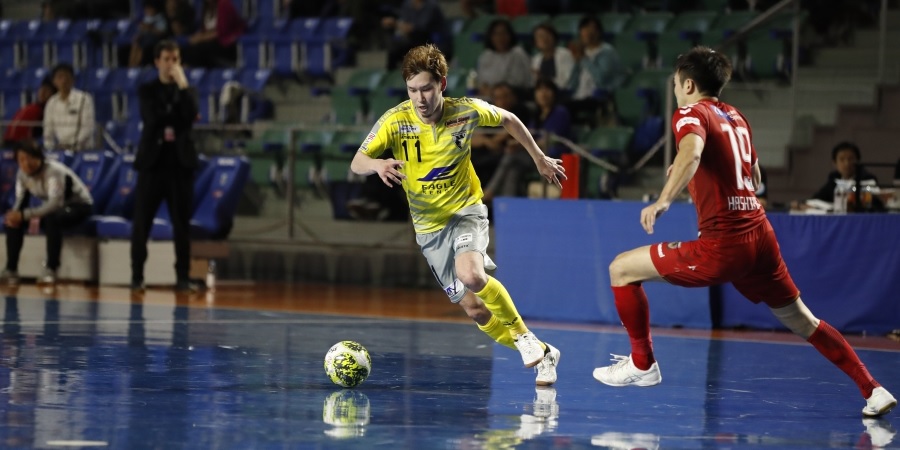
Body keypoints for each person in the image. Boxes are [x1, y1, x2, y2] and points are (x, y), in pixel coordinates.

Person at [591, 46, 897, 418]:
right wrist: (698, 177)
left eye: (674, 84)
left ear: (688, 85)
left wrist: (663, 200)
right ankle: (873, 389)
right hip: (760, 237)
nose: (674, 91)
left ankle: (642, 363)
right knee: (805, 321)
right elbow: (754, 176)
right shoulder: (736, 117)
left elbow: (692, 153)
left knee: (621, 269)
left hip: (723, 244)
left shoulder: (689, 113)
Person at [350, 44, 567, 385]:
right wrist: (377, 164)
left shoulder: (465, 111)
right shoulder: (395, 120)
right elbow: (357, 161)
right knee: (475, 309)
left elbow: (509, 119)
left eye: (426, 89)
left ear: (442, 84)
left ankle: (522, 335)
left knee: (472, 275)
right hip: (429, 228)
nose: (419, 98)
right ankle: (545, 352)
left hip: (465, 210)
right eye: (412, 90)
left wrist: (538, 157)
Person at [130, 40, 201, 292]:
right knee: (142, 223)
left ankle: (182, 277)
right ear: (157, 62)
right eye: (167, 59)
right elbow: (152, 118)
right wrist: (176, 117)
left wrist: (183, 86)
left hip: (180, 165)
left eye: (176, 60)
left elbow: (191, 115)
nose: (171, 65)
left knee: (181, 225)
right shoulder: (147, 89)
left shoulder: (188, 89)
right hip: (152, 164)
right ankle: (137, 276)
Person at [0, 140, 93, 285]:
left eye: (29, 158)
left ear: (38, 157)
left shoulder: (53, 171)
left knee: (52, 218)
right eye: (21, 160)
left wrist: (25, 215)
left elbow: (55, 204)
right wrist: (15, 215)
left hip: (79, 206)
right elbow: (20, 201)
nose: (26, 163)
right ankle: (11, 269)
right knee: (13, 221)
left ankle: (51, 269)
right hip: (57, 209)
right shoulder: (22, 174)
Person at [566, 15, 625, 126]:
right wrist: (577, 62)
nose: (588, 33)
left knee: (565, 108)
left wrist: (584, 59)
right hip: (580, 97)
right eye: (584, 30)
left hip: (598, 98)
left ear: (598, 32)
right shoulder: (583, 52)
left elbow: (601, 80)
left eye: (591, 29)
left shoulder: (606, 52)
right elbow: (572, 83)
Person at [42, 63, 95, 151]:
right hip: (61, 149)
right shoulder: (51, 102)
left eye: (67, 77)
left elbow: (87, 128)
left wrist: (73, 145)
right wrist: (50, 149)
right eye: (60, 77)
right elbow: (48, 132)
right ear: (54, 81)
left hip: (82, 150)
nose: (64, 81)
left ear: (73, 80)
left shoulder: (84, 98)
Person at [476, 19, 533, 97]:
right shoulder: (486, 55)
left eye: (504, 33)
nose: (500, 37)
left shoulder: (518, 54)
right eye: (496, 34)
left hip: (512, 96)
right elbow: (481, 81)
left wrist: (494, 91)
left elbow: (518, 82)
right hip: (489, 96)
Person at [382, 0, 446, 70]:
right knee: (395, 48)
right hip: (412, 41)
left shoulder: (431, 5)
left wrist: (395, 24)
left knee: (417, 36)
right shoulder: (407, 4)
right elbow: (404, 23)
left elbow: (420, 27)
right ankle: (391, 72)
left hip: (431, 40)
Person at [181, 0, 245, 68]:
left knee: (198, 50)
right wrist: (196, 37)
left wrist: (201, 38)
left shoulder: (224, 4)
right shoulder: (205, 7)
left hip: (225, 44)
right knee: (184, 49)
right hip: (211, 43)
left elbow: (221, 32)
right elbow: (205, 30)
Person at [3, 77, 57, 146]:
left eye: (47, 90)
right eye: (41, 88)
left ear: (53, 94)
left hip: (24, 145)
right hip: (10, 142)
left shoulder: (48, 110)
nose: (42, 92)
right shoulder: (32, 107)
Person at [530, 24, 574, 94]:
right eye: (540, 36)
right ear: (535, 42)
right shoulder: (536, 59)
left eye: (547, 35)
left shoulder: (564, 54)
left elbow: (568, 80)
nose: (544, 39)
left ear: (554, 37)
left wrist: (544, 79)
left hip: (561, 93)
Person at [129, 0, 170, 67]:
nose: (147, 11)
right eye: (146, 9)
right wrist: (138, 35)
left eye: (149, 9)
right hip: (145, 38)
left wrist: (150, 28)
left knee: (142, 44)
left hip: (156, 39)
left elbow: (162, 32)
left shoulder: (160, 18)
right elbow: (142, 30)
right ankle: (131, 66)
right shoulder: (147, 18)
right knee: (136, 43)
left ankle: (138, 65)